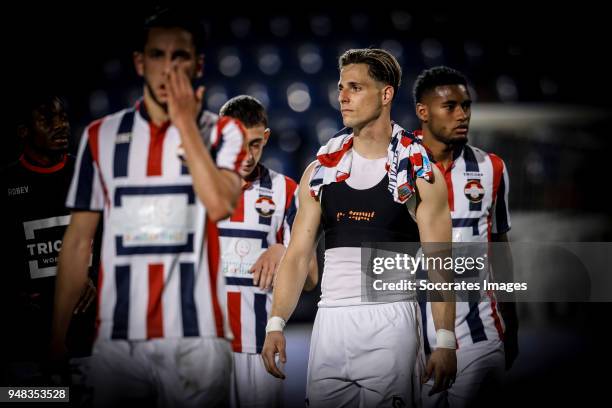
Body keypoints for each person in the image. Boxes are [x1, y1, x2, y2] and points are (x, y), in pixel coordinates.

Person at [50, 9, 247, 407]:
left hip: (198, 337)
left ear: (198, 64)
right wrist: (56, 336)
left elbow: (220, 204)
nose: (168, 68)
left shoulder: (224, 131)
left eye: (180, 57)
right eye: (157, 55)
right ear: (140, 62)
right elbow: (77, 242)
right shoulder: (99, 136)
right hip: (118, 339)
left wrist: (185, 126)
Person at [261, 48, 456, 407]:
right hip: (330, 323)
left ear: (386, 94)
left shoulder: (418, 170)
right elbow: (297, 255)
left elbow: (439, 264)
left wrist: (444, 339)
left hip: (391, 324)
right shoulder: (320, 171)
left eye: (355, 87)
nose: (343, 97)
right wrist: (276, 323)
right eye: (340, 88)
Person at [413, 66, 518, 408]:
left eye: (466, 105)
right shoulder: (397, 166)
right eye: (451, 106)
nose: (463, 115)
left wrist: (511, 320)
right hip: (410, 338)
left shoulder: (492, 168)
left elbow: (499, 248)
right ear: (423, 112)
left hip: (481, 335)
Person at [217, 95, 318, 408]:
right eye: (238, 144)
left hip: (259, 343)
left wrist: (282, 249)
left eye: (256, 144)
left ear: (267, 137)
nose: (247, 156)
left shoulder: (285, 191)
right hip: (204, 347)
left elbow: (311, 277)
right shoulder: (199, 189)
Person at [0, 94, 97, 388]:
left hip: (88, 340)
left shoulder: (90, 176)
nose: (60, 125)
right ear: (23, 131)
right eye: (47, 119)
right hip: (25, 344)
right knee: (26, 398)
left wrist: (94, 276)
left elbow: (115, 247)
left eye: (63, 117)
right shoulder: (6, 184)